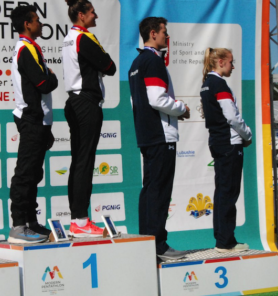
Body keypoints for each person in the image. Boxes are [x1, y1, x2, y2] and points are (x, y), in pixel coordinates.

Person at [128, 17, 190, 260]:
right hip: (160, 134)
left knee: (150, 189)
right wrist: (181, 108)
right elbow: (157, 99)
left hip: (146, 133)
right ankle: (158, 245)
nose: (167, 36)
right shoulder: (152, 60)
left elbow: (139, 102)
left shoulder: (136, 62)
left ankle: (148, 242)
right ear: (153, 33)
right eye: (165, 32)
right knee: (159, 191)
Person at [62, 0, 116, 237]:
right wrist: (101, 66)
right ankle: (80, 221)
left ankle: (77, 218)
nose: (97, 16)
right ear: (82, 15)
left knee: (79, 160)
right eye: (93, 12)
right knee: (84, 161)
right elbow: (110, 66)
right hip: (85, 103)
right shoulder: (84, 38)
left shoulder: (69, 37)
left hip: (74, 101)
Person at [8, 5, 58, 243]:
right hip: (31, 118)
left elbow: (44, 81)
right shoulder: (25, 49)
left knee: (34, 173)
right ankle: (18, 225)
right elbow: (44, 83)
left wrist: (48, 76)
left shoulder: (31, 48)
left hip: (40, 119)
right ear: (27, 24)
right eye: (37, 20)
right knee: (25, 173)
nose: (41, 23)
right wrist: (51, 76)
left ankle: (30, 220)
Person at [200, 48, 252, 253]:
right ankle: (225, 241)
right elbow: (232, 116)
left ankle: (223, 239)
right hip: (230, 143)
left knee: (222, 191)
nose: (233, 66)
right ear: (220, 62)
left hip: (218, 141)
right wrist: (247, 135)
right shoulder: (219, 83)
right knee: (229, 192)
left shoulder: (206, 84)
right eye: (231, 62)